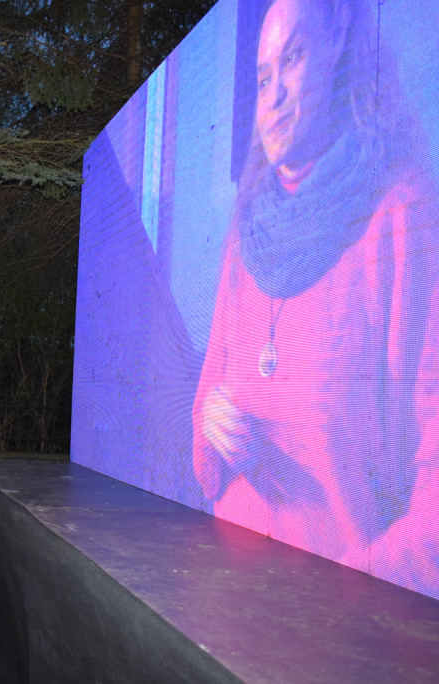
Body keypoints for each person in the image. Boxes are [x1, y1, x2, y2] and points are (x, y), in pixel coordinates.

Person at [192, 0, 439, 595]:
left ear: (343, 57)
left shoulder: (402, 214)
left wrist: (359, 594)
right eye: (261, 76)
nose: (272, 95)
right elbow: (205, 401)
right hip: (233, 582)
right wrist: (213, 421)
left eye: (295, 58)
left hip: (338, 613)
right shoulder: (246, 230)